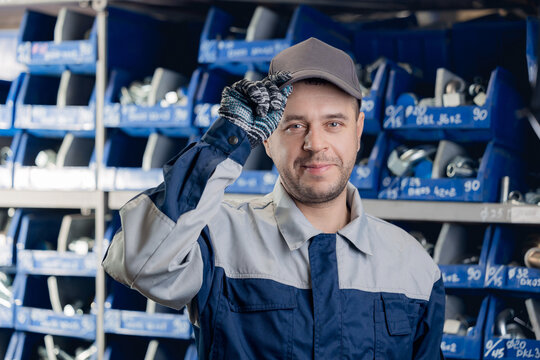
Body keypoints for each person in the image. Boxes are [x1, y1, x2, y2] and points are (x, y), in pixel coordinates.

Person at [103, 37, 445, 359]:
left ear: (358, 131)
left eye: (334, 124)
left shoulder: (414, 266)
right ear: (265, 139)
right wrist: (226, 139)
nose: (315, 143)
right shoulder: (217, 238)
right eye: (294, 126)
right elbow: (142, 264)